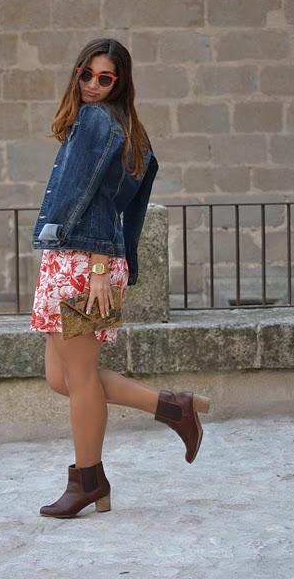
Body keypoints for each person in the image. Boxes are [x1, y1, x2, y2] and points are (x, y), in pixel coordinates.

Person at [30, 37, 210, 518]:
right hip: (81, 258)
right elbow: (130, 208)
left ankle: (87, 480)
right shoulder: (133, 133)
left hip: (82, 261)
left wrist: (99, 266)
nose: (91, 84)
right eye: (85, 74)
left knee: (81, 377)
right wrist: (116, 260)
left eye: (104, 77)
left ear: (120, 81)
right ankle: (172, 407)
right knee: (61, 377)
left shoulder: (94, 122)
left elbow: (93, 199)